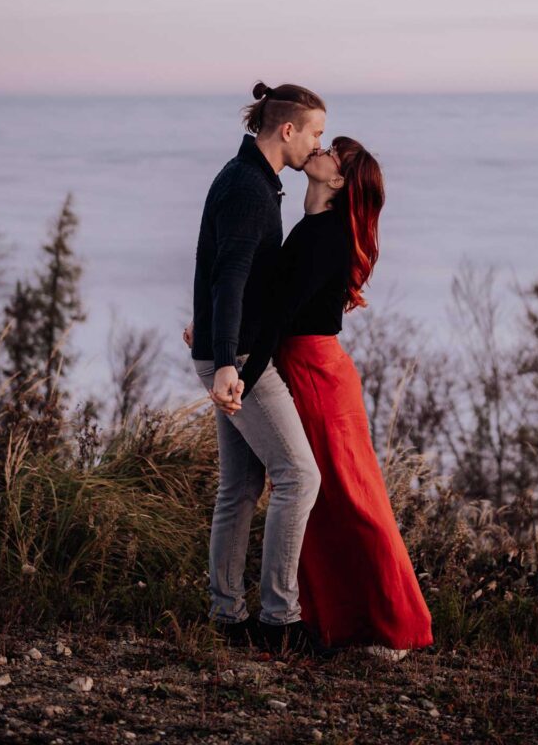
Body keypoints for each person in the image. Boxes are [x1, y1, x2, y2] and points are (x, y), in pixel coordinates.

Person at [239, 136, 433, 660]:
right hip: (309, 368)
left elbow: (277, 315)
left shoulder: (323, 236)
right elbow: (268, 299)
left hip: (318, 374)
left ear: (338, 180)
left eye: (332, 153)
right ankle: (333, 622)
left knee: (349, 495)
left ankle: (393, 623)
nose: (320, 149)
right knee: (318, 498)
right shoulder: (312, 228)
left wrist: (244, 376)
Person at [184, 80, 335, 658]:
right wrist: (225, 361)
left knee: (241, 486)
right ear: (288, 129)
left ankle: (228, 618)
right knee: (301, 476)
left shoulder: (247, 177)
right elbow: (229, 277)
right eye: (316, 133)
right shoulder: (250, 188)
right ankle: (279, 621)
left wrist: (208, 332)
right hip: (239, 360)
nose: (316, 145)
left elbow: (219, 264)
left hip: (228, 352)